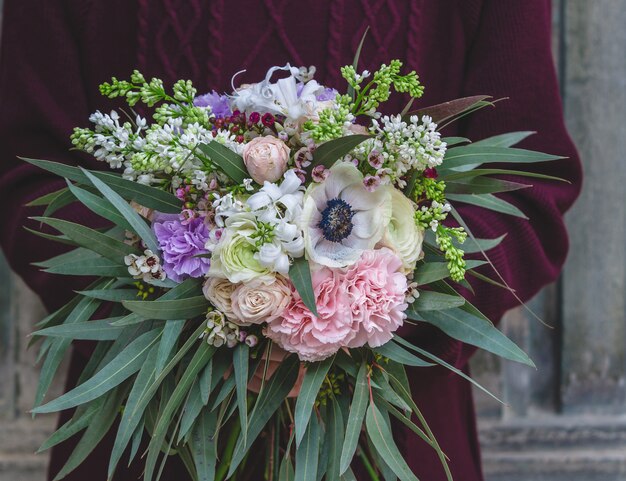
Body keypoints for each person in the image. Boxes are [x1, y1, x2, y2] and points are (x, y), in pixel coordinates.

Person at [0, 1, 582, 480]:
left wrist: (360, 319)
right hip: (148, 436)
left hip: (386, 436)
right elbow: (26, 182)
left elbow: (529, 194)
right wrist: (197, 313)